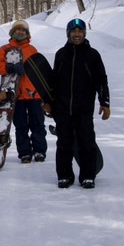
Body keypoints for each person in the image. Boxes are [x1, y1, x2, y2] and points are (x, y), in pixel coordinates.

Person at [48, 17, 110, 189]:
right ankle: (64, 175)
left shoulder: (92, 55)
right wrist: (48, 102)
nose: (77, 34)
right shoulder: (61, 54)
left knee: (86, 141)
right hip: (62, 107)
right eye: (74, 31)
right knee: (64, 142)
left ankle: (88, 176)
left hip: (84, 108)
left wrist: (105, 102)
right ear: (68, 33)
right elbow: (54, 81)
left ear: (84, 33)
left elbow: (101, 80)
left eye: (80, 31)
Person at [0, 20, 45, 164]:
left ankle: (39, 151)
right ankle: (25, 153)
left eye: (23, 30)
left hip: (34, 94)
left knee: (37, 124)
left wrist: (45, 94)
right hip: (16, 95)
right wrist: (11, 67)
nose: (20, 32)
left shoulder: (32, 49)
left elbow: (41, 70)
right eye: (18, 30)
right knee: (20, 126)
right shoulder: (5, 49)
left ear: (27, 34)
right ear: (13, 32)